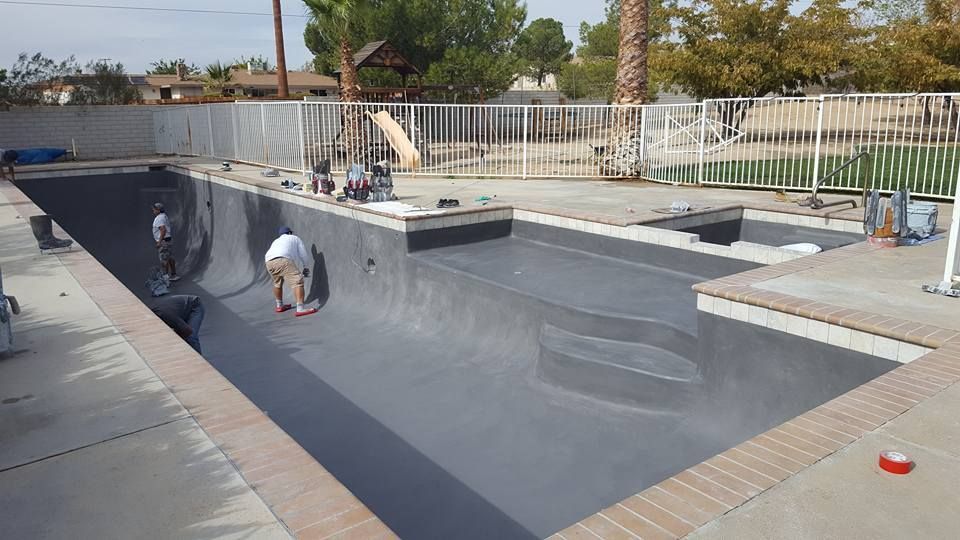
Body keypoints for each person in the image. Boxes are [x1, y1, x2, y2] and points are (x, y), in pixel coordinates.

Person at [264, 226, 318, 317]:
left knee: (277, 283)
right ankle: (300, 309)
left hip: (268, 261)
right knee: (298, 282)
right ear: (289, 233)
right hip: (282, 259)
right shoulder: (295, 238)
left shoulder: (276, 241)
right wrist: (305, 267)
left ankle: (279, 305)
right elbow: (303, 254)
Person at [151, 202, 180, 281]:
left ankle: (165, 277)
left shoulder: (159, 218)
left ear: (158, 210)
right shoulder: (164, 216)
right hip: (168, 240)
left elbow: (163, 230)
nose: (153, 210)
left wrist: (159, 242)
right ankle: (174, 275)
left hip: (163, 242)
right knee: (170, 258)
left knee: (164, 259)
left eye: (154, 209)